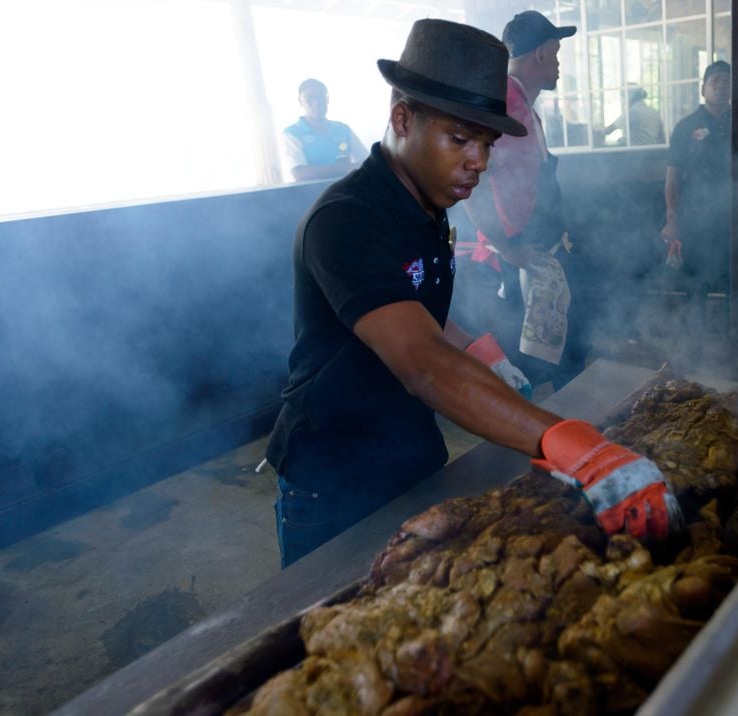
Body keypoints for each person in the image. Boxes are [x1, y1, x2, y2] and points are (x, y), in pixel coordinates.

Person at [264, 19, 684, 568]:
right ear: (401, 118)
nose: (479, 161)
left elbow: (416, 315)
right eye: (459, 138)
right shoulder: (347, 220)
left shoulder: (428, 204)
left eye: (485, 143)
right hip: (336, 471)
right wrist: (575, 445)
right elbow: (420, 363)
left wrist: (480, 353)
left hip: (411, 450)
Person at [458, 11, 585, 391]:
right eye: (557, 54)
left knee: (562, 355)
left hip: (540, 247)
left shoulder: (521, 102)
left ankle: (564, 428)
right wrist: (506, 246)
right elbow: (472, 183)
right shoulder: (505, 107)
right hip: (518, 258)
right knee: (529, 366)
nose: (559, 65)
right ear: (542, 54)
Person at [661, 61, 732, 292]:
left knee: (733, 281)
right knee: (697, 283)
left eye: (727, 82)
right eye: (715, 81)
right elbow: (673, 178)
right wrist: (672, 219)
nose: (721, 87)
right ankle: (696, 327)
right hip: (696, 218)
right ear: (703, 89)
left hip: (735, 218)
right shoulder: (686, 127)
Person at [281, 78, 370, 182]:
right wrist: (343, 168)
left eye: (320, 97)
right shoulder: (291, 134)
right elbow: (299, 173)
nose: (316, 103)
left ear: (327, 100)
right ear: (300, 101)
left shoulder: (343, 129)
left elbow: (367, 163)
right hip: (311, 195)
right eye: (309, 98)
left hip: (345, 192)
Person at [598, 84, 665, 146]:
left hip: (635, 152)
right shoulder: (653, 112)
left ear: (628, 96)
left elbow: (609, 130)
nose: (623, 100)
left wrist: (597, 132)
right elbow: (661, 134)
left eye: (623, 96)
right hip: (653, 151)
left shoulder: (632, 112)